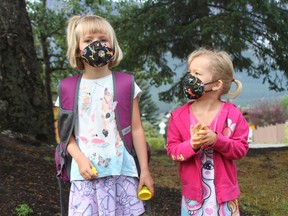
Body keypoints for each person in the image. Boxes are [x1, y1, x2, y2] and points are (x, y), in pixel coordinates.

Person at [58, 15, 154, 215]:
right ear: (77, 49)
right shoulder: (68, 88)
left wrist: (144, 170)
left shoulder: (126, 84)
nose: (97, 45)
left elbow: (136, 129)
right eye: (88, 40)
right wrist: (80, 159)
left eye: (102, 39)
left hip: (123, 173)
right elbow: (65, 135)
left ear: (112, 45)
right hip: (85, 175)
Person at [166, 48, 249, 215]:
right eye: (189, 72)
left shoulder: (232, 115)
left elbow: (240, 149)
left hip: (225, 198)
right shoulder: (178, 116)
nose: (190, 78)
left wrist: (216, 140)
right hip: (193, 199)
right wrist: (192, 144)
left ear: (217, 84)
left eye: (197, 73)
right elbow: (172, 151)